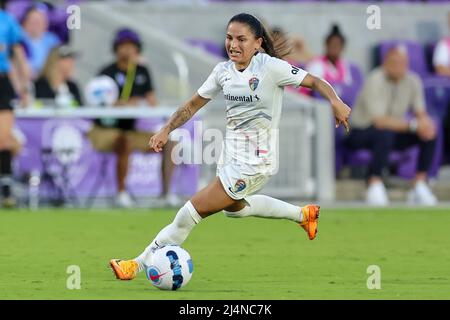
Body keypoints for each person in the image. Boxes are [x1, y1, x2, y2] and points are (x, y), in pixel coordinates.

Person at [109, 13, 351, 280]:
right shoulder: (222, 71)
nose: (233, 44)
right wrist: (166, 129)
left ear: (257, 43)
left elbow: (316, 81)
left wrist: (335, 101)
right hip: (230, 156)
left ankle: (136, 264)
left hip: (255, 163)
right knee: (235, 210)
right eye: (229, 38)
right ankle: (303, 215)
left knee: (190, 212)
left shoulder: (271, 68)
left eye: (241, 39)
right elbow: (191, 105)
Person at [88, 28, 177, 208]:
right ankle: (121, 194)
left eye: (131, 46)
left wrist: (142, 104)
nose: (127, 50)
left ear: (137, 49)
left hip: (131, 131)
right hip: (106, 130)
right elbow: (99, 103)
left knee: (169, 143)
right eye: (123, 46)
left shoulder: (142, 71)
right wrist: (123, 103)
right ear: (116, 48)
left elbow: (153, 102)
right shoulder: (106, 72)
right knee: (124, 140)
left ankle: (166, 195)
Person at [346, 46, 438, 206]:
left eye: (402, 63)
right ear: (385, 63)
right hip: (361, 132)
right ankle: (374, 183)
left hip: (393, 131)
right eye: (393, 62)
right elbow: (379, 121)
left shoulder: (413, 80)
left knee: (429, 133)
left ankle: (420, 183)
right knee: (384, 133)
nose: (398, 67)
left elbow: (420, 112)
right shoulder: (375, 79)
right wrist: (415, 125)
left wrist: (425, 124)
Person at [0, 0, 31, 207]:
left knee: (3, 140)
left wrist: (25, 88)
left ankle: (7, 191)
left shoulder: (7, 20)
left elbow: (19, 55)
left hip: (2, 83)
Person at [20, 3, 60, 78]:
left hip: (45, 79)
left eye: (39, 21)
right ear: (25, 22)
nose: (36, 25)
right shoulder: (18, 38)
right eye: (33, 21)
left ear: (46, 24)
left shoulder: (52, 40)